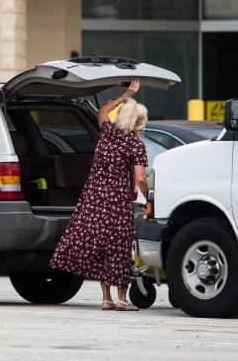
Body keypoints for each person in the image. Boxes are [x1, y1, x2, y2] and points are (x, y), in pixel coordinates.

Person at [49, 80, 149, 311]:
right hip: (115, 200)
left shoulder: (106, 132)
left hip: (93, 197)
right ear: (138, 121)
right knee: (118, 247)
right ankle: (122, 299)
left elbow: (103, 110)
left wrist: (125, 95)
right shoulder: (135, 145)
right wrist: (150, 195)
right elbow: (140, 179)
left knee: (101, 246)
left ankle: (106, 298)